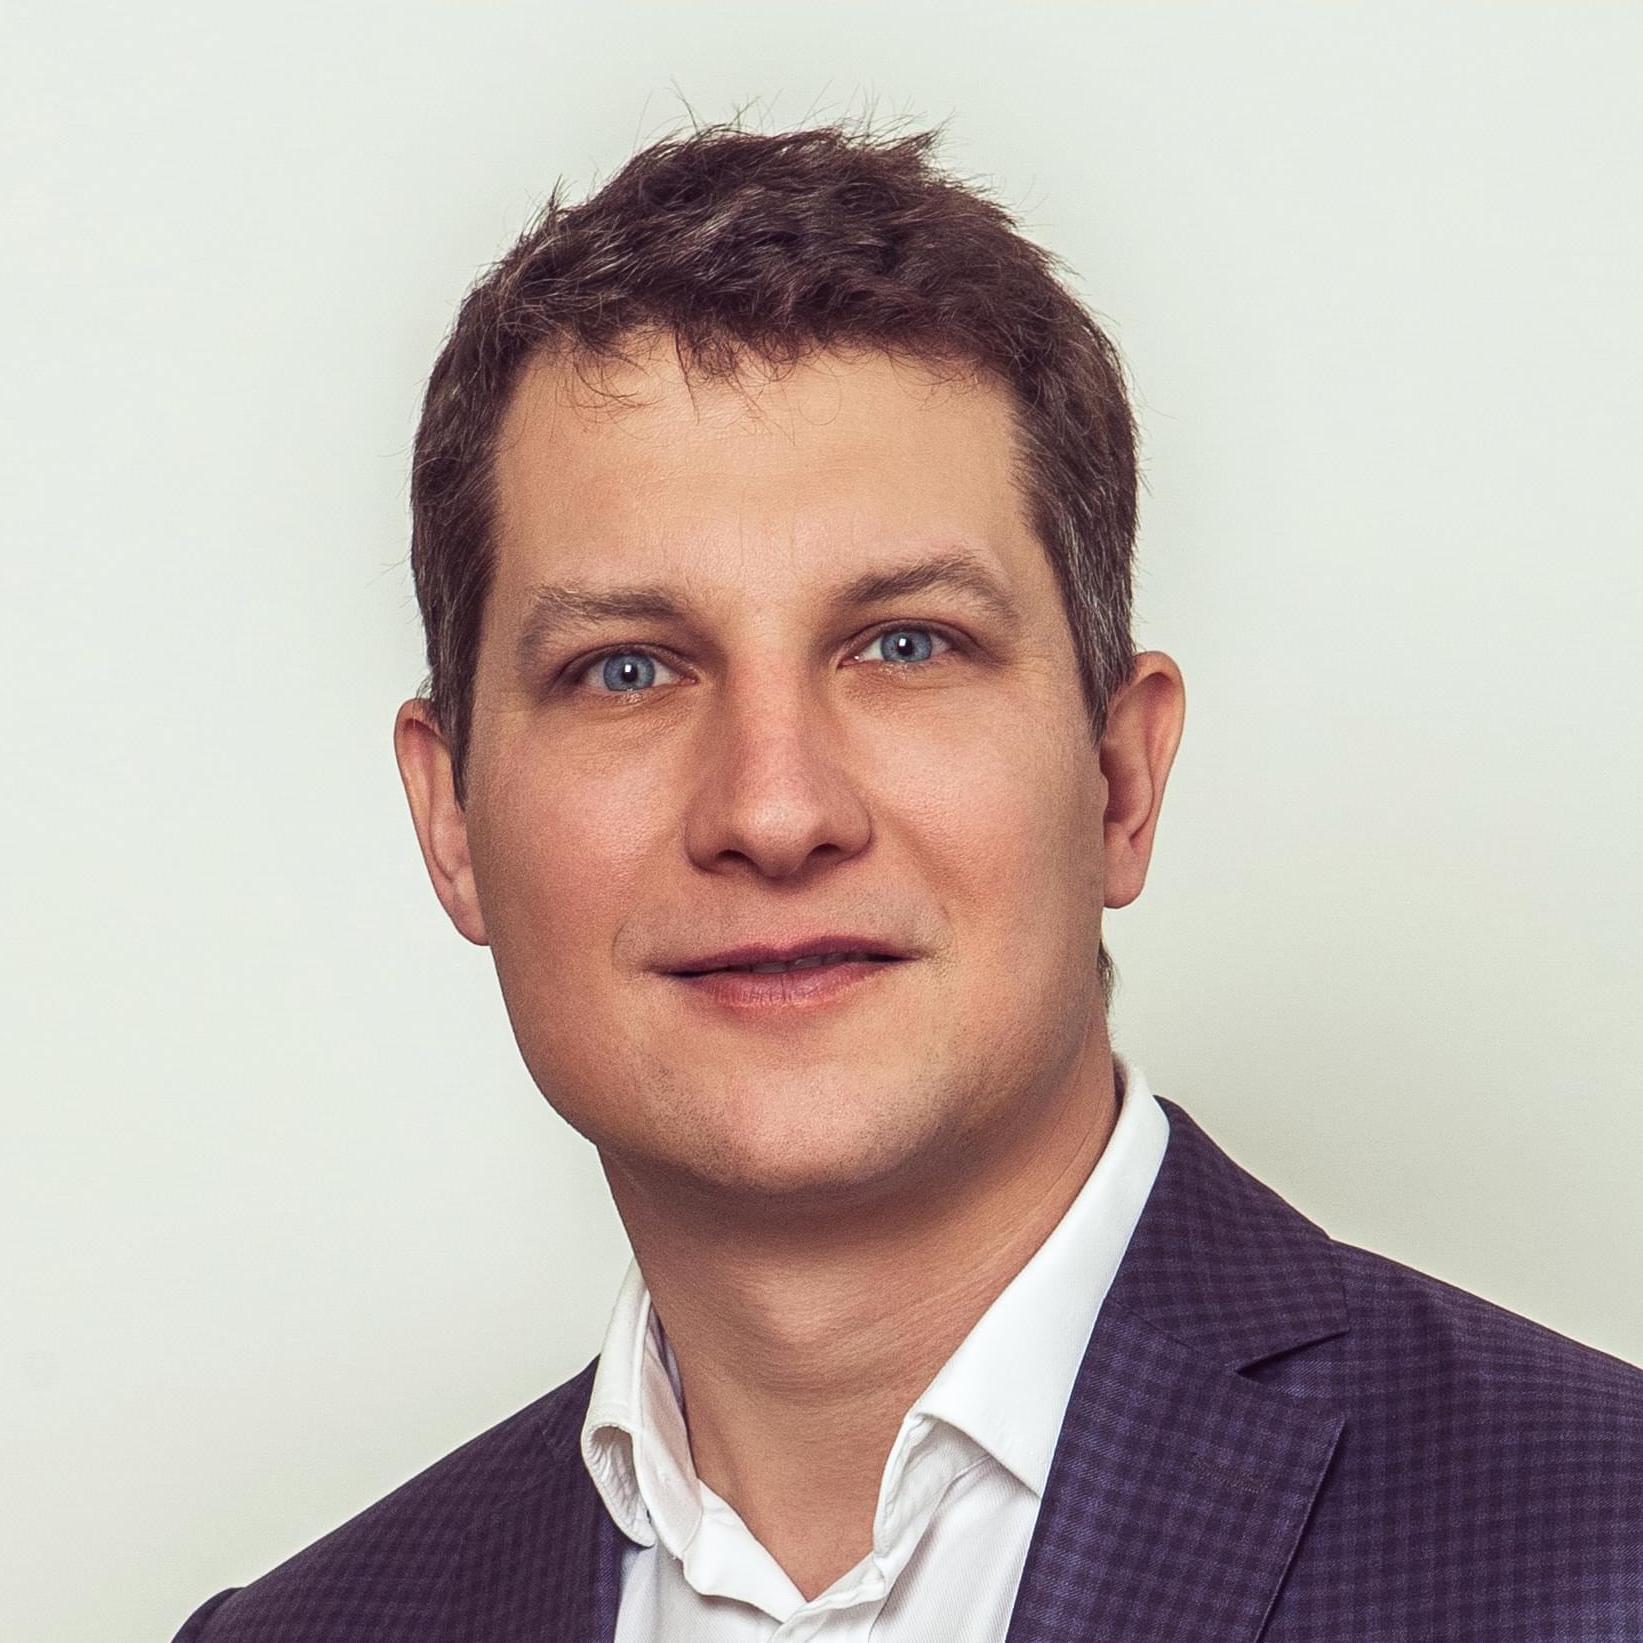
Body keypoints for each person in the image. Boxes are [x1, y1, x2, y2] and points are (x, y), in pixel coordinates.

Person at [174, 120, 1643, 1642]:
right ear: (452, 819)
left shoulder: (1608, 1551)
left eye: (904, 645)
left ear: (1120, 778)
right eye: (627, 669)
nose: (775, 810)